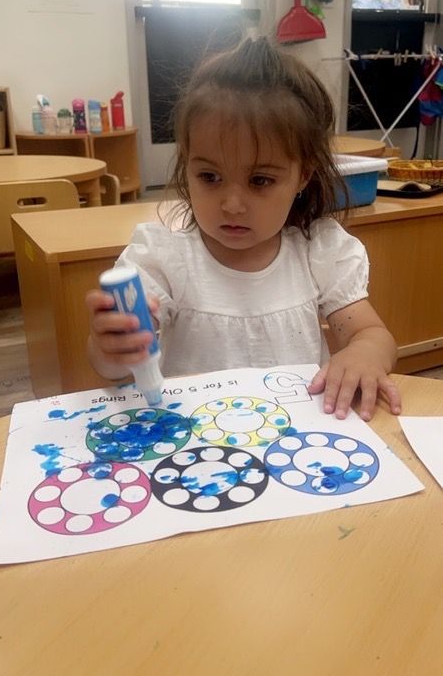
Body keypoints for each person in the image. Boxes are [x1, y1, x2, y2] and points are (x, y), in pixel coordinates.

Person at [86, 36, 401, 422]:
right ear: (186, 166)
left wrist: (364, 353)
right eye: (210, 177)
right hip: (195, 437)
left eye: (260, 180)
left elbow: (371, 334)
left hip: (294, 437)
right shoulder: (163, 259)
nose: (232, 204)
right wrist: (112, 349)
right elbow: (114, 369)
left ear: (302, 176)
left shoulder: (318, 252)